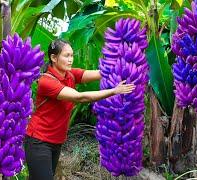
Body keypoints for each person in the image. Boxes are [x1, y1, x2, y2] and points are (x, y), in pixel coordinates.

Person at [24, 39, 135, 180]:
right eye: (66, 56)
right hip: (38, 142)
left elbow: (100, 73)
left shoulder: (70, 75)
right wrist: (114, 91)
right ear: (53, 58)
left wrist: (123, 65)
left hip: (56, 142)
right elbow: (80, 97)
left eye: (72, 55)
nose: (70, 60)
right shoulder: (46, 82)